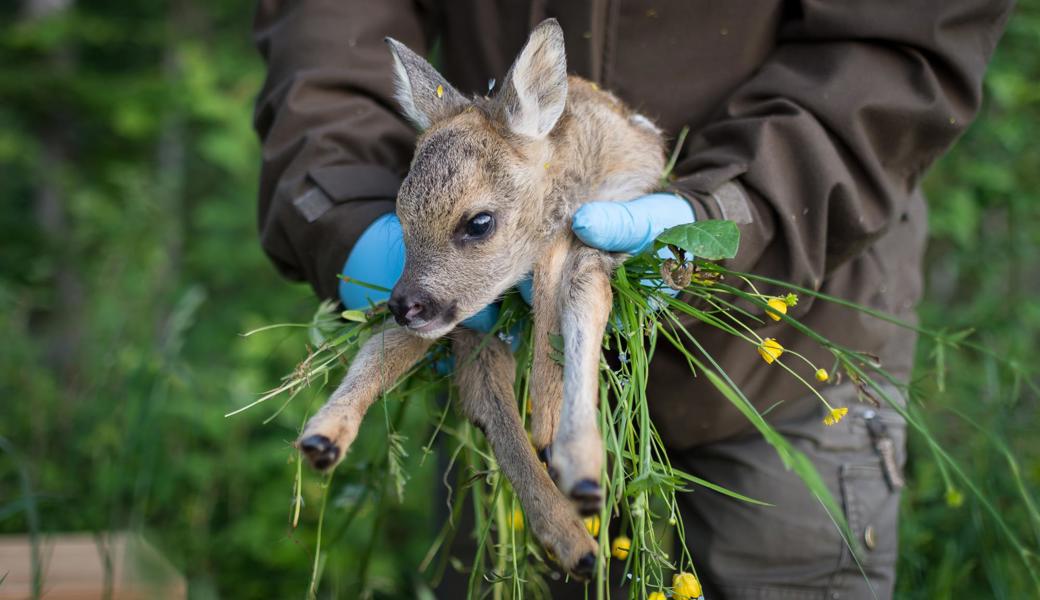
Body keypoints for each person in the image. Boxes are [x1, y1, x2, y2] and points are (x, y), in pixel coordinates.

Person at [252, 2, 1011, 597]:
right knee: (479, 363)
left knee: (575, 270)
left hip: (787, 354)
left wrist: (735, 213)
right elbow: (331, 24)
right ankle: (531, 483)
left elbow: (902, 47)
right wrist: (344, 211)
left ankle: (570, 442)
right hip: (493, 346)